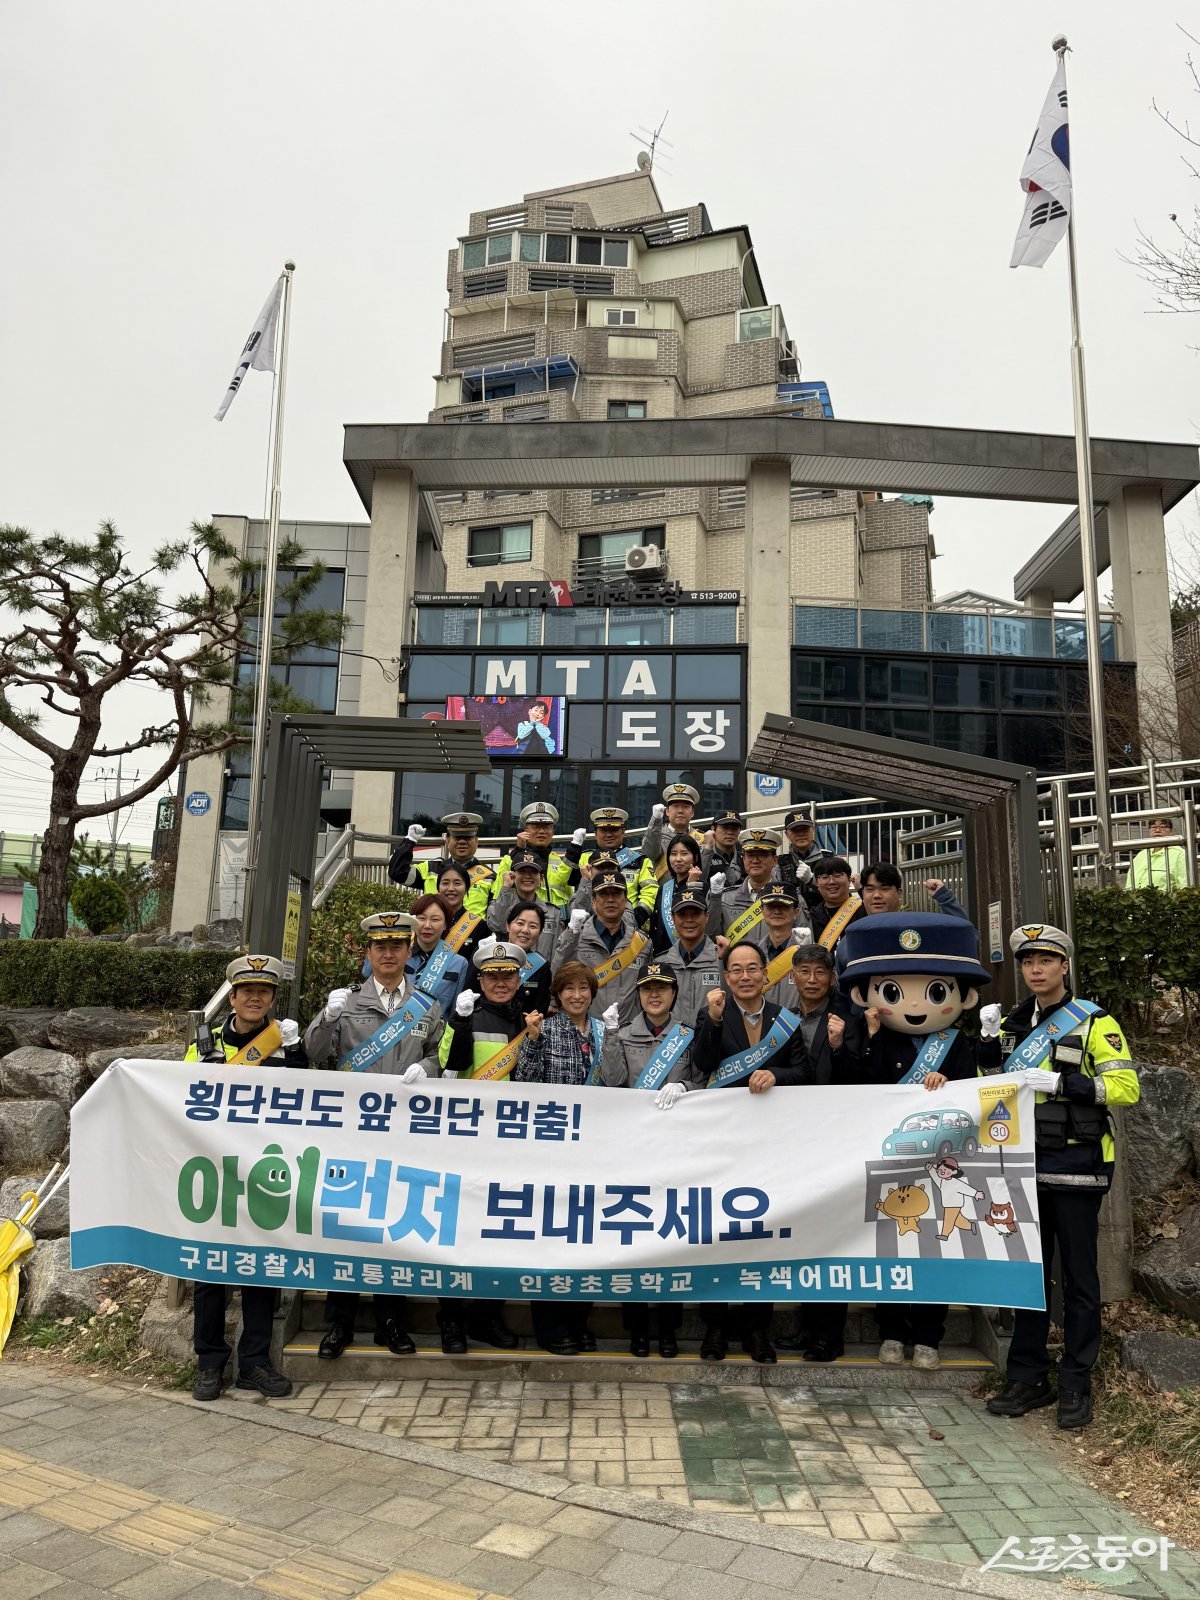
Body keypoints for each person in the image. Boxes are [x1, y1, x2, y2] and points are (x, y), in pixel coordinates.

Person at [980, 922, 1139, 1431]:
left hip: (1077, 1166)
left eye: (1046, 960)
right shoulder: (1010, 1023)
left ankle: (1076, 1380)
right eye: (1028, 962)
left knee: (1079, 1279)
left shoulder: (1094, 1022)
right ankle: (1028, 1376)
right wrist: (986, 1044)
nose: (1036, 969)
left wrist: (1063, 1082)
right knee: (1028, 1277)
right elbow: (991, 1087)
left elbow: (1125, 1087)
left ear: (1064, 965)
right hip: (1021, 1165)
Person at [839, 911, 989, 1372]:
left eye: (936, 991)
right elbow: (853, 1084)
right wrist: (862, 1039)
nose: (918, 1004)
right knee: (890, 1243)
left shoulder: (955, 1044)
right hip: (889, 1161)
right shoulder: (874, 1038)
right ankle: (891, 1330)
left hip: (941, 1165)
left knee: (935, 1247)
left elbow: (976, 1097)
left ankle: (929, 1335)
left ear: (960, 995)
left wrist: (955, 1082)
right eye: (894, 991)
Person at [304, 913, 444, 1362]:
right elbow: (314, 1052)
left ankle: (389, 1321)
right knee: (346, 1228)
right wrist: (326, 1019)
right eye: (380, 946)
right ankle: (340, 1323)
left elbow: (438, 1056)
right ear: (369, 953)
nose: (388, 953)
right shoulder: (346, 1002)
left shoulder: (427, 1006)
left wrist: (430, 1069)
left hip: (405, 1136)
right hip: (353, 1135)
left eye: (396, 946)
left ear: (408, 951)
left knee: (394, 1228)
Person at [683, 941, 812, 1364]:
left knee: (761, 1237)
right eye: (735, 969)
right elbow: (702, 1064)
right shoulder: (712, 1014)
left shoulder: (786, 1019)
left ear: (765, 974)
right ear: (725, 976)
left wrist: (774, 1074)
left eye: (752, 968)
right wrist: (715, 1021)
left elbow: (804, 1072)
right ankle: (715, 1328)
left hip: (771, 1145)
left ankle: (758, 1331)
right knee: (717, 1236)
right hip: (721, 1141)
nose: (744, 976)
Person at [185, 954, 305, 1401]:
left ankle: (254, 1363)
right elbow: (181, 1098)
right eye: (247, 991)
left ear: (273, 998)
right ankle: (209, 1362)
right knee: (209, 1271)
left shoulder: (286, 1045)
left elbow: (307, 1108)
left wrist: (296, 1055)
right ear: (232, 997)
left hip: (267, 1172)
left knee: (261, 1269)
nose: (255, 998)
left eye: (265, 991)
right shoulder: (204, 1045)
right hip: (214, 1172)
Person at [434, 941, 533, 1355]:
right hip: (468, 1141)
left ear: (518, 979)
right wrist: (459, 1023)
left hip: (515, 1144)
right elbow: (451, 1066)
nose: (500, 983)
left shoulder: (531, 1021)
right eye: (492, 976)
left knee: (503, 1234)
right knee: (457, 1234)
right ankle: (452, 1320)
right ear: (480, 980)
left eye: (508, 976)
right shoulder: (465, 1017)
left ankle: (486, 1314)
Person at [513, 960, 612, 1355]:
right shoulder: (545, 1029)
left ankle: (578, 1320)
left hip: (596, 1152)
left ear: (592, 992)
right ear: (557, 994)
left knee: (587, 1238)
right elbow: (525, 1083)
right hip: (553, 1151)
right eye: (568, 989)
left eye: (583, 988)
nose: (576, 995)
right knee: (553, 1238)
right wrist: (532, 1040)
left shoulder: (606, 1032)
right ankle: (551, 1327)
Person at [773, 943, 864, 1363]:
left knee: (830, 1239)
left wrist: (840, 1045)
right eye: (803, 972)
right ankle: (808, 1327)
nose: (811, 980)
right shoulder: (783, 1018)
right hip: (794, 1139)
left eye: (819, 973)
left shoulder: (851, 1016)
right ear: (792, 976)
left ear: (832, 978)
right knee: (802, 1237)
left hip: (836, 1137)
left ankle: (830, 1335)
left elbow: (861, 1077)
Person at [601, 962, 694, 1358]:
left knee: (671, 1240)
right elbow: (613, 1081)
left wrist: (685, 1085)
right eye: (647, 989)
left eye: (662, 988)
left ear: (674, 993)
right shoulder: (623, 1034)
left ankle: (669, 1329)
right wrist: (608, 1036)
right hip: (634, 1152)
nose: (654, 995)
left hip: (677, 1150)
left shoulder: (688, 1036)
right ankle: (638, 1328)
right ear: (638, 995)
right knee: (635, 1240)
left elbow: (706, 1079)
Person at [553, 863, 649, 1023]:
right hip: (584, 1031)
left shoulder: (642, 942)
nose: (610, 899)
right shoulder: (575, 937)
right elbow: (557, 976)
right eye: (604, 894)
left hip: (627, 1033)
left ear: (625, 901)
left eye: (616, 894)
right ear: (593, 901)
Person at [551, 805, 660, 923]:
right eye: (603, 830)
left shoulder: (640, 860)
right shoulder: (583, 858)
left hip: (628, 924)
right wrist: (574, 849)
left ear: (623, 832)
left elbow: (651, 891)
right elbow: (563, 880)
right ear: (595, 833)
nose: (609, 834)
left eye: (614, 830)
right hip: (588, 924)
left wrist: (639, 915)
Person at [644, 885, 724, 1024]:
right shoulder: (661, 963)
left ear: (706, 917)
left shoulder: (722, 960)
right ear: (673, 919)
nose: (689, 920)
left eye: (695, 914)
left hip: (711, 1042)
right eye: (682, 915)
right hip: (672, 1043)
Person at [388, 811, 494, 914]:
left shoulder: (489, 876)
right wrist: (410, 841)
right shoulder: (430, 869)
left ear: (476, 841)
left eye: (468, 837)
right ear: (447, 840)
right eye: (456, 837)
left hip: (473, 931)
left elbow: (495, 917)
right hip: (434, 930)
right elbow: (397, 872)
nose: (462, 842)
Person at [707, 829, 782, 941]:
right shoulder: (725, 898)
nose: (755, 861)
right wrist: (714, 897)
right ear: (743, 859)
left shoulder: (790, 898)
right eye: (749, 855)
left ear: (775, 860)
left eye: (762, 855)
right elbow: (710, 935)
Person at [487, 848, 559, 959]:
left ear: (541, 878)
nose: (527, 876)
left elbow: (556, 951)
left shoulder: (552, 912)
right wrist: (506, 887)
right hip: (508, 971)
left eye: (533, 872)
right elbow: (497, 925)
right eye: (522, 871)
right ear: (513, 875)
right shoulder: (501, 904)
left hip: (541, 972)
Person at [406, 893, 469, 1014]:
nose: (427, 925)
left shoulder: (459, 963)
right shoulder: (400, 955)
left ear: (446, 924)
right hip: (397, 1029)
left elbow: (455, 1013)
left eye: (435, 919)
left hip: (439, 1031)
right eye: (422, 918)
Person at [750, 885, 813, 1005]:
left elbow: (830, 987)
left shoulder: (810, 951)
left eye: (784, 906)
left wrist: (810, 956)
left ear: (796, 913)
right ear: (762, 911)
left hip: (798, 1023)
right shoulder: (753, 954)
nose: (777, 911)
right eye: (771, 906)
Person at [859, 861, 970, 922]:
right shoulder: (854, 934)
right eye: (870, 889)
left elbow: (966, 937)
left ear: (899, 893)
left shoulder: (918, 926)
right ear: (863, 894)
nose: (877, 895)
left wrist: (945, 898)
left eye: (885, 889)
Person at [649, 834, 705, 954]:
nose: (678, 859)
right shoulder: (664, 888)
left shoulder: (704, 888)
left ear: (695, 858)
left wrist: (691, 887)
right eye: (673, 854)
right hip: (663, 956)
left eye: (684, 854)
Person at [434, 861, 488, 965]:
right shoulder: (428, 922)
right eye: (445, 883)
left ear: (466, 888)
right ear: (438, 887)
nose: (451, 889)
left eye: (457, 883)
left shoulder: (479, 926)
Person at [809, 856, 866, 951]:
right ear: (817, 883)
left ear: (849, 879)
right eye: (824, 877)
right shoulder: (812, 916)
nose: (831, 882)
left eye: (837, 875)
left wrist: (862, 890)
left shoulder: (864, 909)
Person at [642, 782, 705, 868]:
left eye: (685, 806)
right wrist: (656, 819)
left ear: (692, 812)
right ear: (667, 811)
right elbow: (650, 853)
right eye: (675, 806)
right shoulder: (655, 836)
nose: (680, 811)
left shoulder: (702, 838)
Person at [505, 902, 554, 1014]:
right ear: (507, 926)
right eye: (520, 923)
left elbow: (539, 1011)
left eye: (533, 926)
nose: (525, 930)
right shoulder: (489, 954)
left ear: (540, 933)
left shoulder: (541, 966)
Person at [1126, 816, 1188, 891]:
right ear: (1149, 830)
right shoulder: (1141, 855)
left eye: (1163, 827)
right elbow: (1129, 884)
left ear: (1171, 831)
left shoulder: (1179, 854)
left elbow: (1185, 886)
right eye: (1153, 827)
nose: (1158, 830)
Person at [778, 805, 822, 908]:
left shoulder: (829, 859)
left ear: (813, 830)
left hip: (825, 918)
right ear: (786, 834)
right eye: (795, 830)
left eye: (805, 829)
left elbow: (839, 893)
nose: (801, 834)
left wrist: (812, 881)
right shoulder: (780, 863)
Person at [702, 808, 745, 889]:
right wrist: (708, 848)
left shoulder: (745, 858)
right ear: (713, 829)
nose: (730, 832)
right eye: (725, 828)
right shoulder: (702, 855)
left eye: (734, 829)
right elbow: (699, 880)